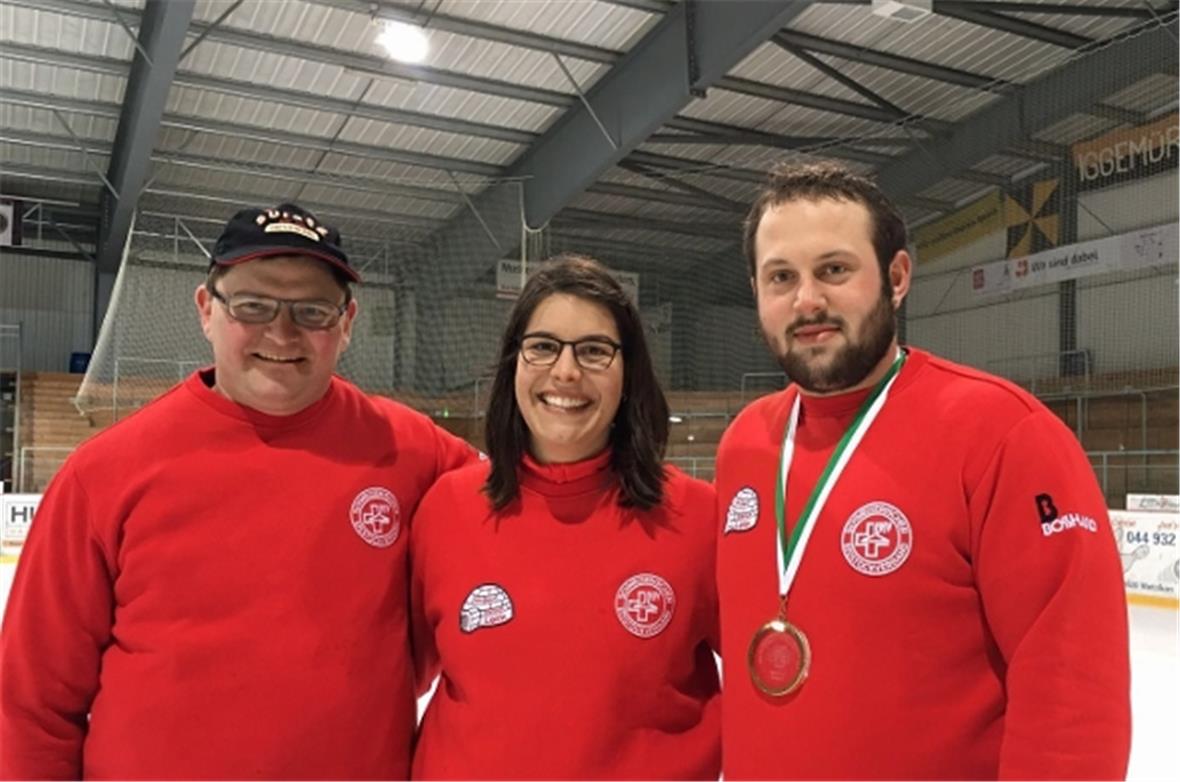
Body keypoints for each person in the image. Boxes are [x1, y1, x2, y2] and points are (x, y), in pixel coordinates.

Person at [0, 203, 477, 779]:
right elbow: (30, 704)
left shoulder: (416, 451)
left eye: (312, 311)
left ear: (346, 322)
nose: (281, 332)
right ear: (207, 310)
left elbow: (524, 525)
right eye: (252, 306)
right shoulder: (105, 472)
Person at [715, 162, 1131, 780]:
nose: (807, 300)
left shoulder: (1003, 433)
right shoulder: (745, 443)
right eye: (782, 277)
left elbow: (1072, 695)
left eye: (834, 270)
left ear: (897, 276)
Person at [409, 254, 720, 780]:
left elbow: (772, 681)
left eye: (595, 350)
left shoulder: (697, 516)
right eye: (543, 347)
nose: (566, 371)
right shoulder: (446, 509)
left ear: (629, 373)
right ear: (515, 364)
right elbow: (399, 675)